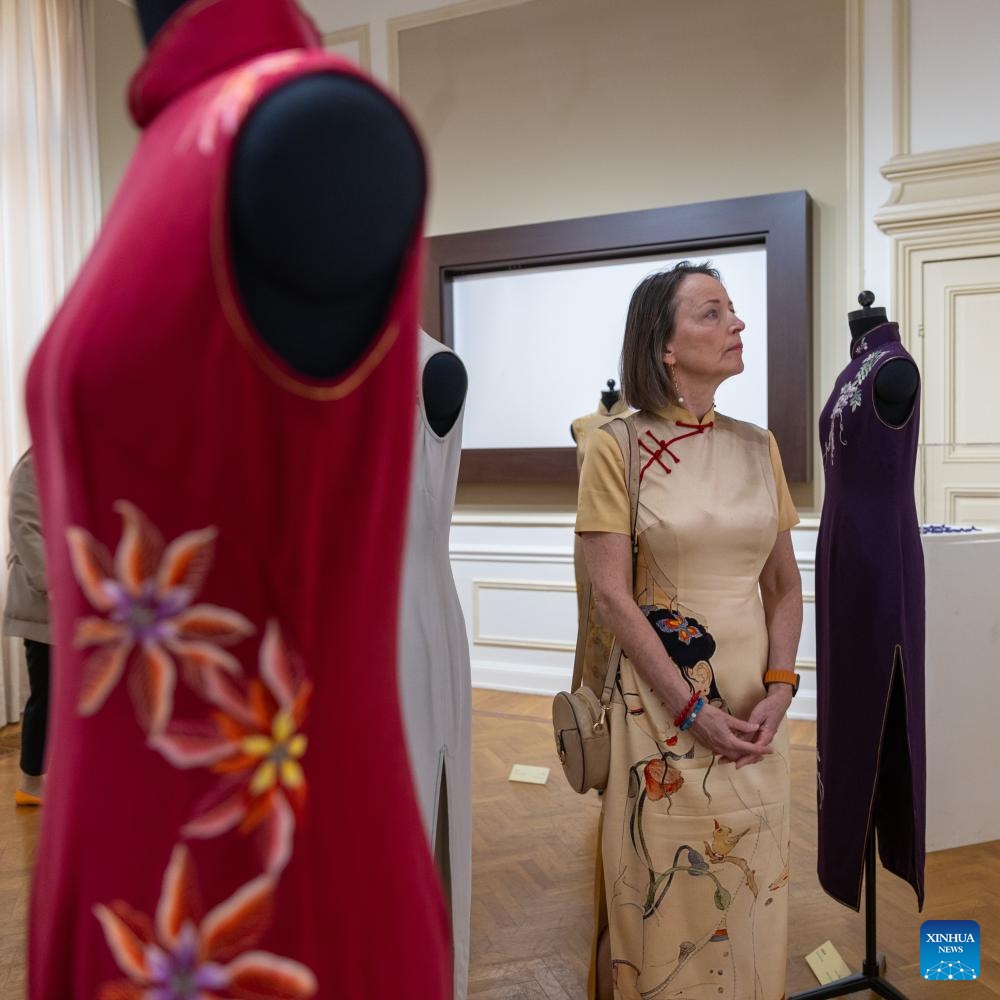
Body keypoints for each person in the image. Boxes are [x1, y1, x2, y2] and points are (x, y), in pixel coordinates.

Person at [577, 261, 803, 1000]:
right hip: (661, 714)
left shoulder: (757, 444)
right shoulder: (616, 446)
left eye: (732, 309)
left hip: (755, 711)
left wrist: (780, 686)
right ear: (664, 346)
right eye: (711, 313)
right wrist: (689, 708)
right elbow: (611, 597)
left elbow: (782, 583)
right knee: (664, 895)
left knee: (751, 889)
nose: (736, 323)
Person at [3, 449, 50, 806]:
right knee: (46, 696)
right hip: (43, 601)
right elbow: (24, 526)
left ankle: (53, 775)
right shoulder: (34, 462)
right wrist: (53, 582)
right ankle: (30, 783)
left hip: (67, 601)